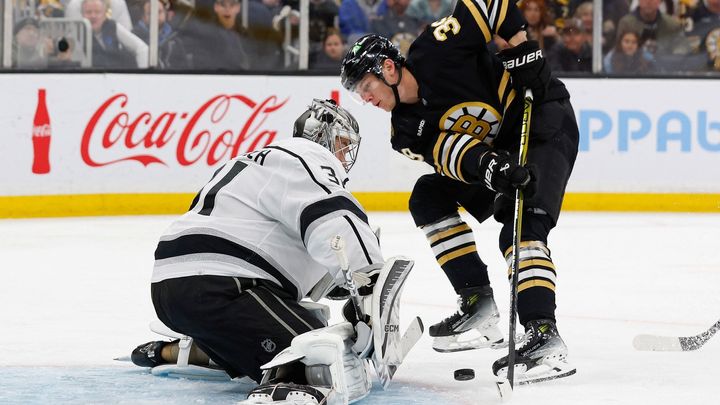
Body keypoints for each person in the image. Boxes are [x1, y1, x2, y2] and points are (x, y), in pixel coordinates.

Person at [340, 0, 579, 383]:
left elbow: (490, 5)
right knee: (427, 195)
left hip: (541, 122)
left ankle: (545, 337)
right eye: (359, 94)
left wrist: (520, 46)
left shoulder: (436, 48)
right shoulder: (403, 131)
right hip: (498, 153)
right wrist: (491, 168)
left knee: (522, 226)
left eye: (366, 87)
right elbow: (453, 155)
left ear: (388, 68)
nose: (366, 99)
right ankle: (478, 303)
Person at [132, 99, 387, 403]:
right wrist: (368, 279)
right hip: (225, 286)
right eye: (343, 144)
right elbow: (332, 216)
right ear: (321, 135)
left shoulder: (255, 161)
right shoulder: (308, 155)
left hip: (175, 286)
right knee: (324, 358)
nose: (345, 155)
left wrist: (337, 279)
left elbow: (280, 239)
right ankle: (283, 380)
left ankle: (193, 350)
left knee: (307, 323)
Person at [81, 0, 149, 68]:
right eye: (88, 12)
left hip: (115, 74)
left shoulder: (112, 26)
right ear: (82, 15)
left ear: (104, 15)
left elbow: (142, 48)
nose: (93, 16)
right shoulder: (76, 31)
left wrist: (142, 75)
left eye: (97, 12)